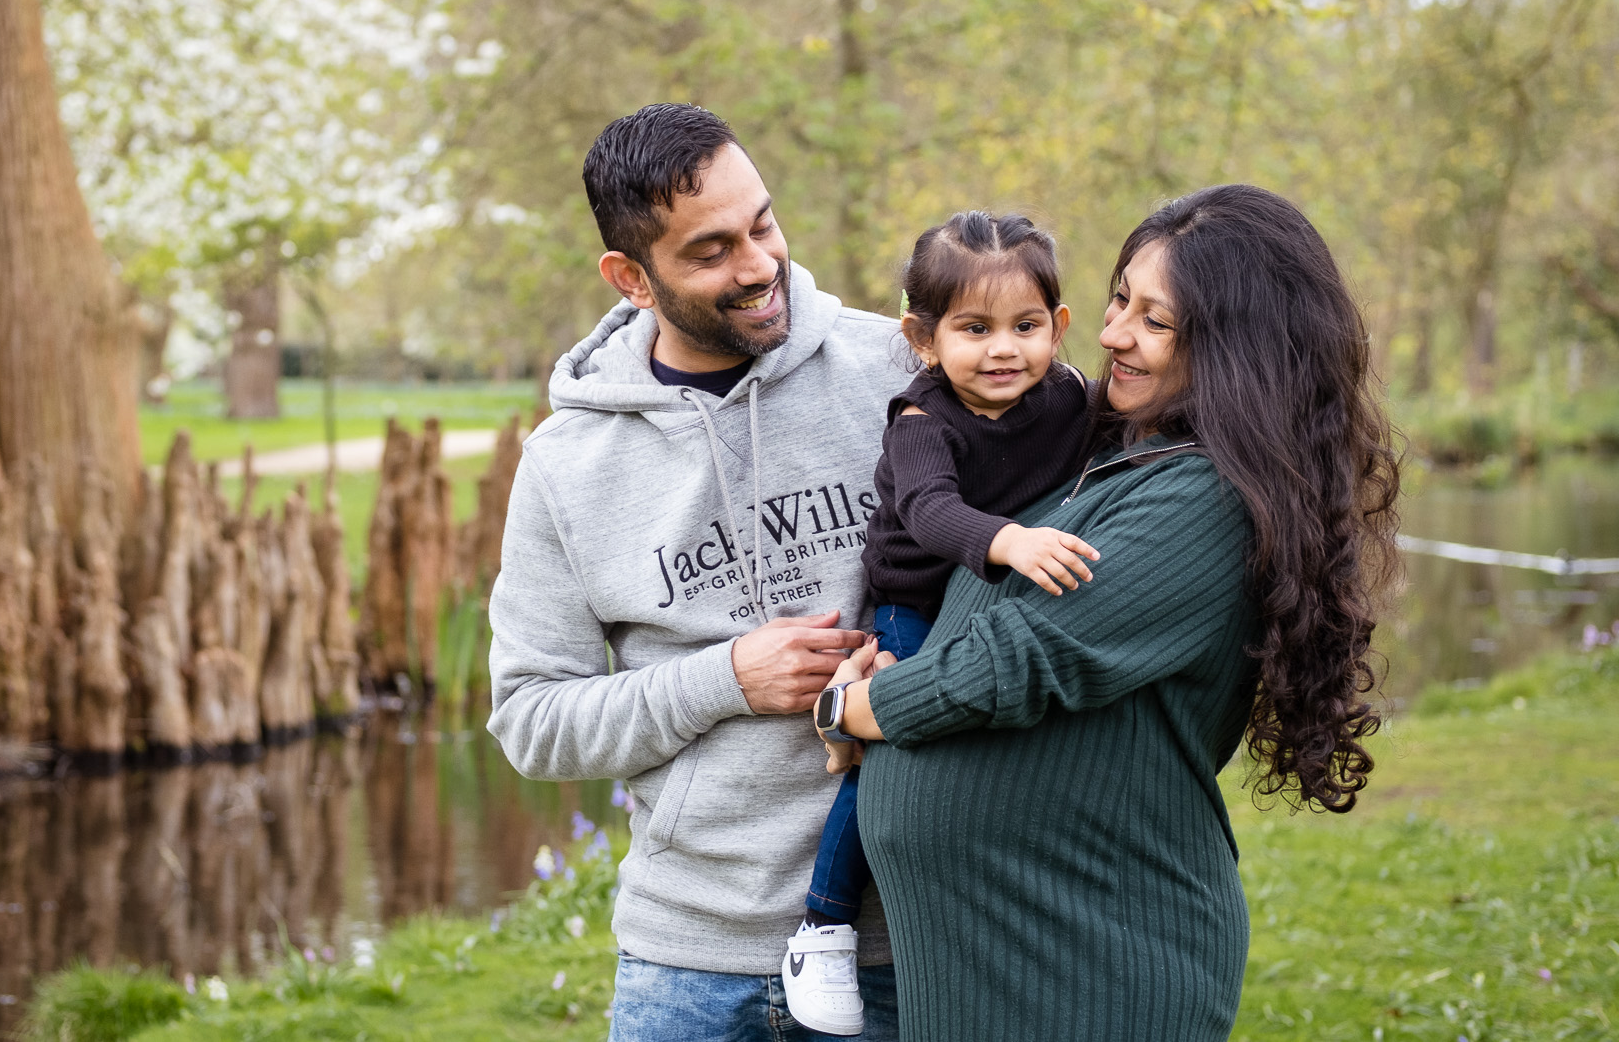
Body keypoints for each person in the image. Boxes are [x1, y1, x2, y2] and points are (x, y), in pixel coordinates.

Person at [818, 184, 1399, 1042]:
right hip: (995, 952)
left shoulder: (1206, 498)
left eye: (1153, 320)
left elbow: (1023, 655)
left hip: (1092, 960)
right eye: (1119, 298)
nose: (1112, 332)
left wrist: (859, 707)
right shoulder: (1117, 453)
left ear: (1237, 347)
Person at [487, 103, 906, 1041]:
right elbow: (531, 722)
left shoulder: (896, 367)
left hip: (897, 939)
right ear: (631, 277)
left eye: (762, 224)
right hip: (687, 963)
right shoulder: (566, 464)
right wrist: (723, 681)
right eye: (711, 250)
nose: (759, 265)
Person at [783, 211, 1101, 1035]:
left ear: (1058, 327)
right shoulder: (922, 421)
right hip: (919, 597)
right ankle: (822, 922)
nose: (1005, 349)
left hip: (1004, 591)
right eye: (974, 328)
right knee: (896, 737)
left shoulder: (1067, 397)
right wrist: (1010, 539)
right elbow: (929, 510)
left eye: (1026, 326)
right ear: (922, 337)